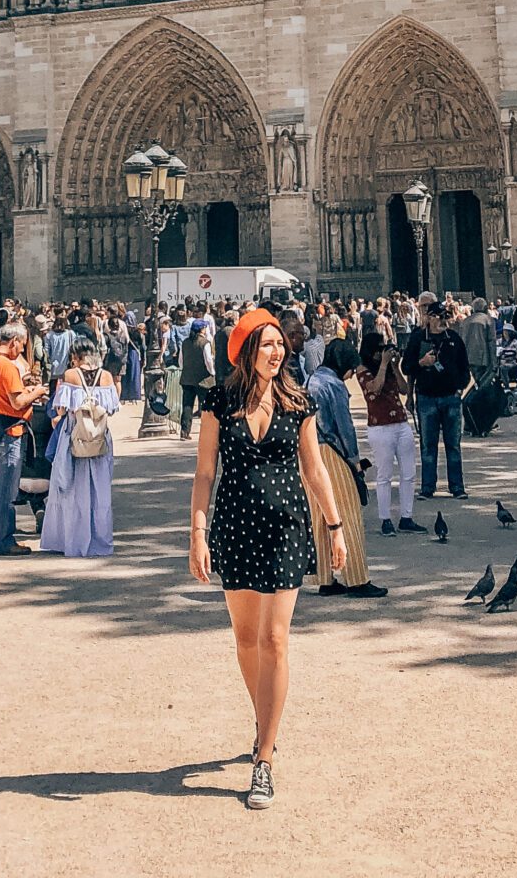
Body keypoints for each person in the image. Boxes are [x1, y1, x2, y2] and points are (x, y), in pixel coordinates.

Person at [188, 308, 351, 811]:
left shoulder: (298, 401)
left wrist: (335, 525)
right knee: (245, 639)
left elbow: (315, 468)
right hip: (234, 529)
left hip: (286, 529)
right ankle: (265, 719)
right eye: (267, 345)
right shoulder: (218, 402)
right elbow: (203, 474)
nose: (277, 353)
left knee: (275, 638)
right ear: (245, 351)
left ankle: (264, 760)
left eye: (281, 345)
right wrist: (197, 533)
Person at [306, 340, 385, 598]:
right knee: (347, 512)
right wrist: (355, 461)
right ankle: (357, 578)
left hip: (307, 452)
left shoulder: (311, 380)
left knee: (319, 515)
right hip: (331, 452)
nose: (351, 374)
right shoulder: (334, 385)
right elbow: (344, 426)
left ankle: (325, 578)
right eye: (350, 368)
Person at [41, 342, 120, 557]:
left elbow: (61, 409)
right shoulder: (106, 377)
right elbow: (112, 408)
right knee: (99, 491)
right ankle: (99, 541)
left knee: (71, 489)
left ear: (76, 356)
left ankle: (73, 541)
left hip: (73, 437)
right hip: (99, 438)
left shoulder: (70, 375)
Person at [0, 323, 49, 556]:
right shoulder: (6, 365)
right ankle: (4, 541)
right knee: (6, 491)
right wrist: (37, 392)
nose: (22, 349)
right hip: (8, 431)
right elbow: (18, 402)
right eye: (22, 344)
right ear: (13, 342)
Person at [400, 293, 471, 500]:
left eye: (444, 316)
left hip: (450, 397)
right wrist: (422, 363)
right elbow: (406, 367)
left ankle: (457, 486)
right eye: (437, 316)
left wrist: (459, 389)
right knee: (428, 445)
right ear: (429, 318)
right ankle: (428, 487)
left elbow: (464, 368)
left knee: (453, 444)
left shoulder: (454, 339)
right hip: (427, 397)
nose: (442, 320)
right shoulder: (418, 338)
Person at [357, 330, 421, 536]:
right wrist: (383, 365)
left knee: (409, 473)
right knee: (384, 474)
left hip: (400, 422)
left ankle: (406, 516)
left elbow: (403, 389)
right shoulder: (363, 369)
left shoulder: (389, 368)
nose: (380, 354)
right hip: (380, 426)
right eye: (378, 350)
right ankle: (385, 519)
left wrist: (394, 365)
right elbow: (374, 388)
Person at [179, 317, 217, 440]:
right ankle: (208, 431)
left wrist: (185, 369)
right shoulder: (204, 343)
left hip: (187, 378)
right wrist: (212, 372)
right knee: (206, 407)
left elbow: (181, 360)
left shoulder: (185, 342)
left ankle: (184, 432)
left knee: (187, 405)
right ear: (202, 329)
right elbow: (208, 360)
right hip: (203, 379)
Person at [457, 297, 498, 388]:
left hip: (468, 357)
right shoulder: (488, 320)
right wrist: (494, 362)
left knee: (475, 381)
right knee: (484, 383)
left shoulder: (465, 321)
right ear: (485, 308)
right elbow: (492, 341)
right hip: (483, 358)